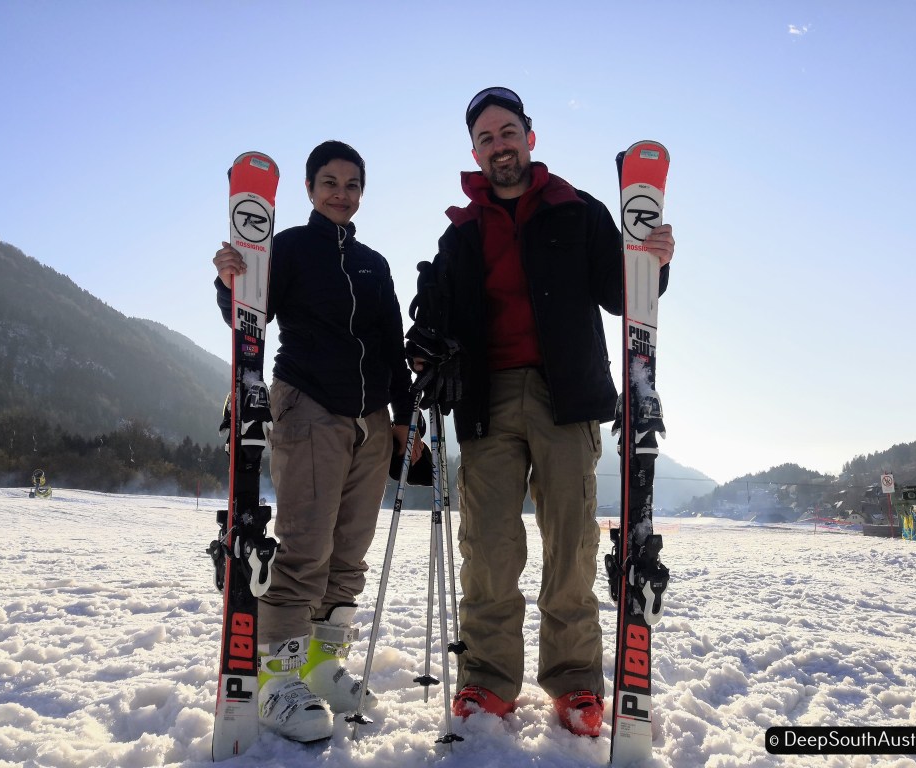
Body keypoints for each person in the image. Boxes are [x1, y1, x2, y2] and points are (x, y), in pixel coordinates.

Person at [406, 88, 675, 737]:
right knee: (489, 547)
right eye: (486, 138)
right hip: (487, 399)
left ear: (529, 135)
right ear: (476, 151)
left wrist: (653, 260)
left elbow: (621, 294)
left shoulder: (574, 210)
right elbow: (433, 314)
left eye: (507, 131)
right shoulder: (462, 231)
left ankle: (576, 684)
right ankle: (488, 681)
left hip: (568, 394)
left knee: (572, 549)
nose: (499, 145)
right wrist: (427, 343)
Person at [213, 140, 422, 743]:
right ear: (309, 189)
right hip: (309, 403)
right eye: (329, 182)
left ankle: (320, 662)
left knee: (348, 551)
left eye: (352, 184)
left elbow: (388, 343)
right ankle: (277, 677)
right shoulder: (292, 247)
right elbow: (249, 316)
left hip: (372, 417)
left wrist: (404, 417)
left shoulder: (374, 264)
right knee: (305, 546)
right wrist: (230, 283)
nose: (341, 192)